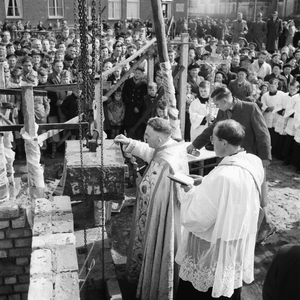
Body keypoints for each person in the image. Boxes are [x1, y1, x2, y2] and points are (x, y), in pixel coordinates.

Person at [177, 119, 265, 300]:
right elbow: (233, 197)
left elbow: (197, 218)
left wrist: (189, 191)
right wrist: (205, 183)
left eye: (213, 138)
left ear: (224, 143)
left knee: (204, 290)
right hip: (235, 239)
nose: (211, 141)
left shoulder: (222, 176)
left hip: (212, 248)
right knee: (227, 287)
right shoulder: (253, 161)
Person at [114, 117, 189, 300]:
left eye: (148, 135)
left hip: (161, 218)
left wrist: (140, 180)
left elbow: (148, 191)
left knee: (159, 251)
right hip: (174, 213)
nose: (144, 137)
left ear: (159, 139)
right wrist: (130, 143)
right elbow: (150, 152)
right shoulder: (172, 146)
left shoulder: (166, 163)